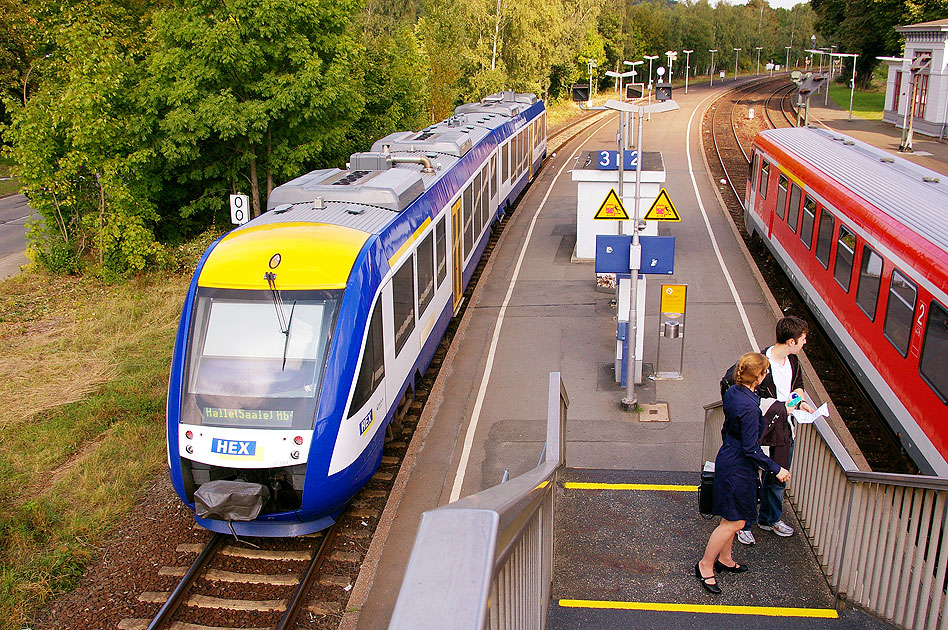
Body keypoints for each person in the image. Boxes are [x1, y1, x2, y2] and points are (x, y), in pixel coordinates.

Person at [696, 352, 790, 594]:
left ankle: (725, 559)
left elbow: (730, 430)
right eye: (765, 372)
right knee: (736, 521)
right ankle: (706, 565)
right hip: (739, 466)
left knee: (730, 515)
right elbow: (751, 448)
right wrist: (776, 468)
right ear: (757, 377)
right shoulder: (749, 407)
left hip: (729, 457)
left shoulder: (733, 392)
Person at [737, 315, 813, 545]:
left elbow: (797, 386)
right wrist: (784, 407)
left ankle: (770, 519)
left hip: (784, 429)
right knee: (752, 477)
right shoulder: (761, 364)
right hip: (762, 429)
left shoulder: (793, 362)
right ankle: (744, 524)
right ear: (791, 341)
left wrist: (799, 402)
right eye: (802, 339)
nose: (804, 343)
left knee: (778, 476)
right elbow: (751, 396)